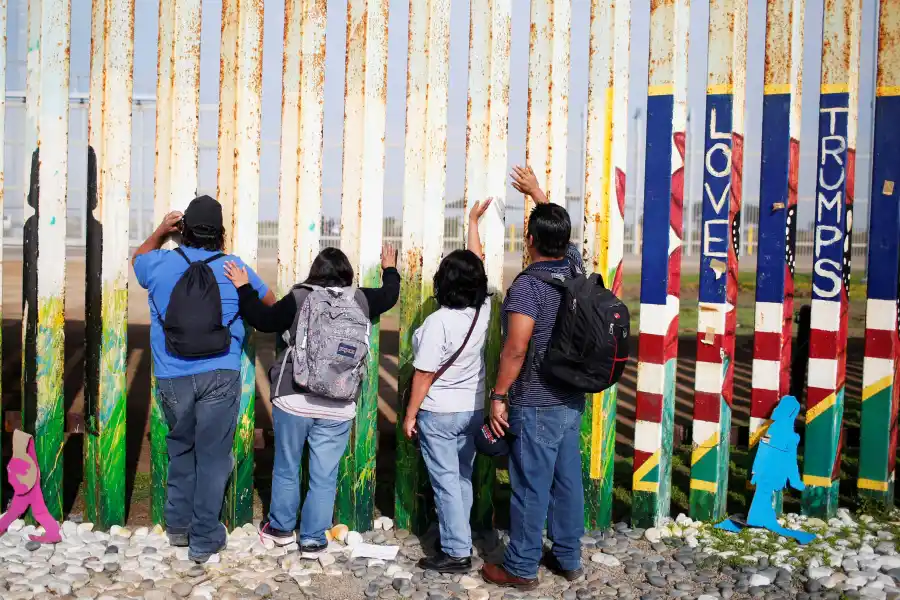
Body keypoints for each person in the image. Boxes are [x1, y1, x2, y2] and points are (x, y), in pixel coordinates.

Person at [223, 245, 400, 551]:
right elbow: (390, 294)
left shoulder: (300, 297)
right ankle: (314, 539)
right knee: (324, 475)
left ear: (315, 272)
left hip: (294, 397)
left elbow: (262, 319)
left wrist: (243, 287)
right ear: (347, 273)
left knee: (288, 465)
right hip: (340, 403)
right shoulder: (360, 299)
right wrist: (389, 268)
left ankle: (280, 529)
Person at [133, 195, 275, 563]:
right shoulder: (234, 267)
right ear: (221, 232)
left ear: (184, 229)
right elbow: (271, 302)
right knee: (213, 456)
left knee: (181, 448)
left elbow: (137, 260)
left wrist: (161, 232)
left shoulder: (161, 263)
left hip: (172, 374)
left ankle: (178, 528)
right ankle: (204, 536)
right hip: (220, 372)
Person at [481, 166, 587, 589]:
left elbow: (516, 348)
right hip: (570, 400)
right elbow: (563, 236)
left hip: (536, 401)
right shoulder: (574, 270)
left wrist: (499, 394)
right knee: (567, 481)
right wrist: (539, 194)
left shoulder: (528, 287)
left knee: (529, 487)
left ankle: (521, 567)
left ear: (528, 242)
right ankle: (568, 556)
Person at [401, 199, 493, 573]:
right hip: (472, 410)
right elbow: (477, 263)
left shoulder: (439, 321)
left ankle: (456, 551)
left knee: (444, 483)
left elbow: (423, 375)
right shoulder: (482, 310)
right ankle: (460, 536)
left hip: (438, 412)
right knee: (461, 477)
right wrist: (472, 222)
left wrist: (410, 416)